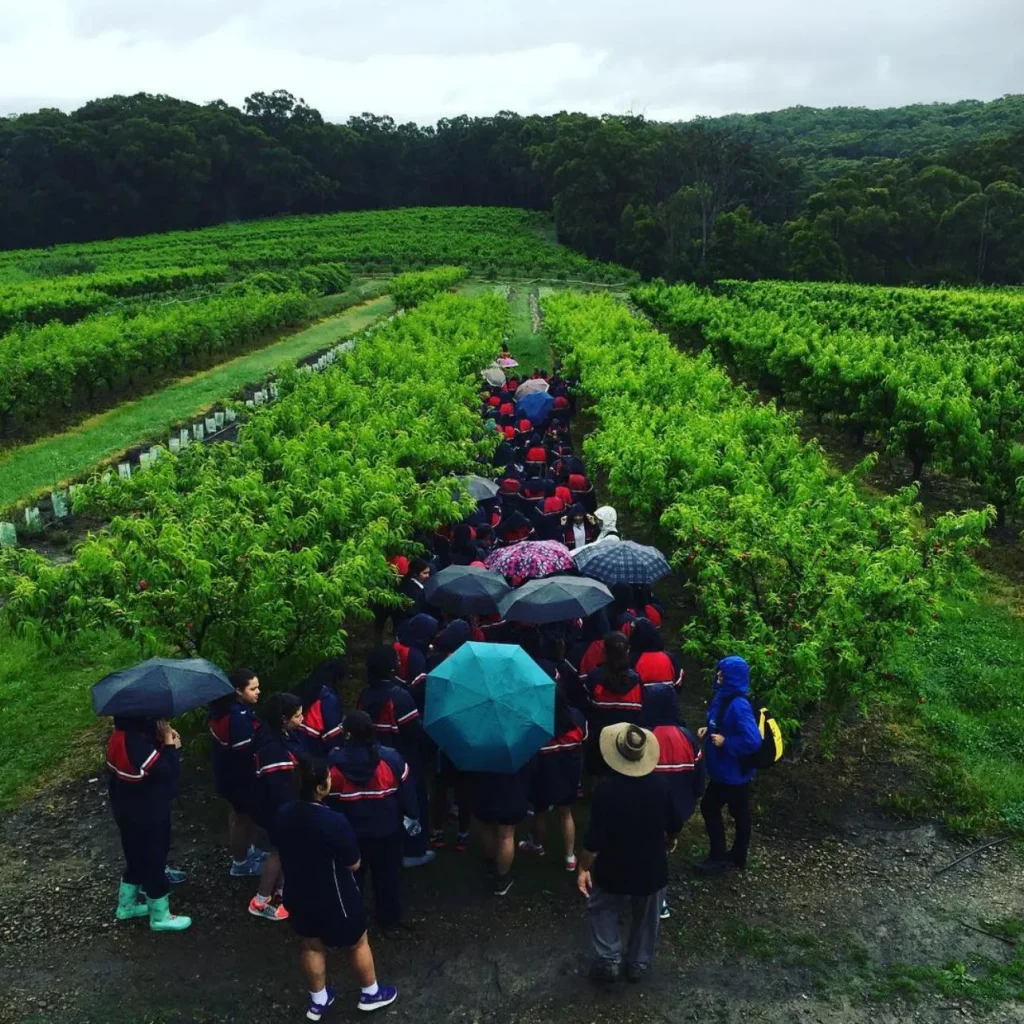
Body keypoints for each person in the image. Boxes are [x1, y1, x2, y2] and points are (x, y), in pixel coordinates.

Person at [276, 756, 399, 1018]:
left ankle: (318, 1000)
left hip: (297, 892)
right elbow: (353, 864)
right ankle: (370, 992)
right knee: (357, 942)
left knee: (310, 944)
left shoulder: (284, 813)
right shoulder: (333, 821)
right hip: (335, 895)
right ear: (321, 787)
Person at [578, 723, 682, 984]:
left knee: (601, 907)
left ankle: (609, 957)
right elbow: (675, 823)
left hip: (613, 867)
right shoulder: (662, 787)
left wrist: (583, 868)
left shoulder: (605, 791)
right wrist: (671, 840)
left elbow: (594, 840)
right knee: (648, 916)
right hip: (651, 867)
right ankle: (638, 963)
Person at [327, 712, 419, 932]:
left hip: (350, 833)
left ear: (347, 733)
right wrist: (412, 814)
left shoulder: (333, 762)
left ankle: (353, 921)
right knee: (387, 876)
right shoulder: (391, 759)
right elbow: (408, 794)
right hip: (387, 830)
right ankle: (389, 918)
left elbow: (328, 799)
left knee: (350, 879)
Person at [106, 715, 191, 931]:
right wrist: (171, 746)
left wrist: (162, 742)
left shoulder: (120, 736)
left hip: (125, 810)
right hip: (147, 812)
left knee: (135, 857)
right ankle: (160, 915)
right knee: (154, 859)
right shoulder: (136, 744)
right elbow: (166, 771)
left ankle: (126, 906)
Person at [358, 646, 434, 868]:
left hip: (374, 759)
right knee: (412, 802)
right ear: (390, 667)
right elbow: (414, 731)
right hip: (403, 758)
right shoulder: (399, 697)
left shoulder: (365, 694)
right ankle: (414, 850)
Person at [695, 656, 762, 875]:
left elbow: (752, 740)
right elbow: (718, 719)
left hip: (731, 774)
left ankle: (718, 858)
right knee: (740, 812)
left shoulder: (739, 705)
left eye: (723, 672)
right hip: (729, 772)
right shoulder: (723, 696)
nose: (718, 675)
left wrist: (726, 743)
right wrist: (708, 729)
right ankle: (738, 855)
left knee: (710, 807)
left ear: (733, 677)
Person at [643, 685, 705, 919]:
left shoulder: (645, 735)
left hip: (648, 806)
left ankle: (656, 898)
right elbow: (699, 776)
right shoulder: (688, 737)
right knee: (661, 849)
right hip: (679, 808)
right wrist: (693, 798)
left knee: (649, 849)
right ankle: (658, 898)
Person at [208, 667, 269, 877]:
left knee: (237, 814)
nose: (258, 692)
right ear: (238, 691)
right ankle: (241, 863)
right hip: (239, 778)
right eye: (253, 688)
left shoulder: (223, 710)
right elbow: (247, 752)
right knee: (243, 818)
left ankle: (244, 851)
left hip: (226, 775)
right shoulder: (237, 718)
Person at [518, 686, 587, 871]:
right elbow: (585, 738)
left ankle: (537, 845)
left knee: (540, 813)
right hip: (568, 775)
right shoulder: (576, 717)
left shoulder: (536, 722)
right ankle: (570, 857)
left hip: (542, 776)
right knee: (566, 813)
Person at [249, 692, 303, 922]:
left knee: (285, 851)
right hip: (278, 810)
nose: (302, 719)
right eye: (298, 715)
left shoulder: (277, 736)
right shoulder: (274, 749)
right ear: (283, 718)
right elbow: (280, 788)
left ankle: (281, 891)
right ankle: (260, 900)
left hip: (278, 807)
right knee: (278, 853)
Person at [467, 759, 534, 897]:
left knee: (486, 826)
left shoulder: (480, 739)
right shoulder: (522, 740)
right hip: (511, 786)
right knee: (506, 835)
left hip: (484, 784)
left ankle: (491, 865)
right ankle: (501, 879)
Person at [295, 658, 346, 756]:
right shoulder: (327, 697)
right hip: (315, 751)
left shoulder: (305, 687)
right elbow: (333, 736)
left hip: (296, 746)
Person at [628, 619, 685, 689]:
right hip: (667, 697)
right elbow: (679, 681)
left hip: (643, 698)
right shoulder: (669, 657)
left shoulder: (632, 659)